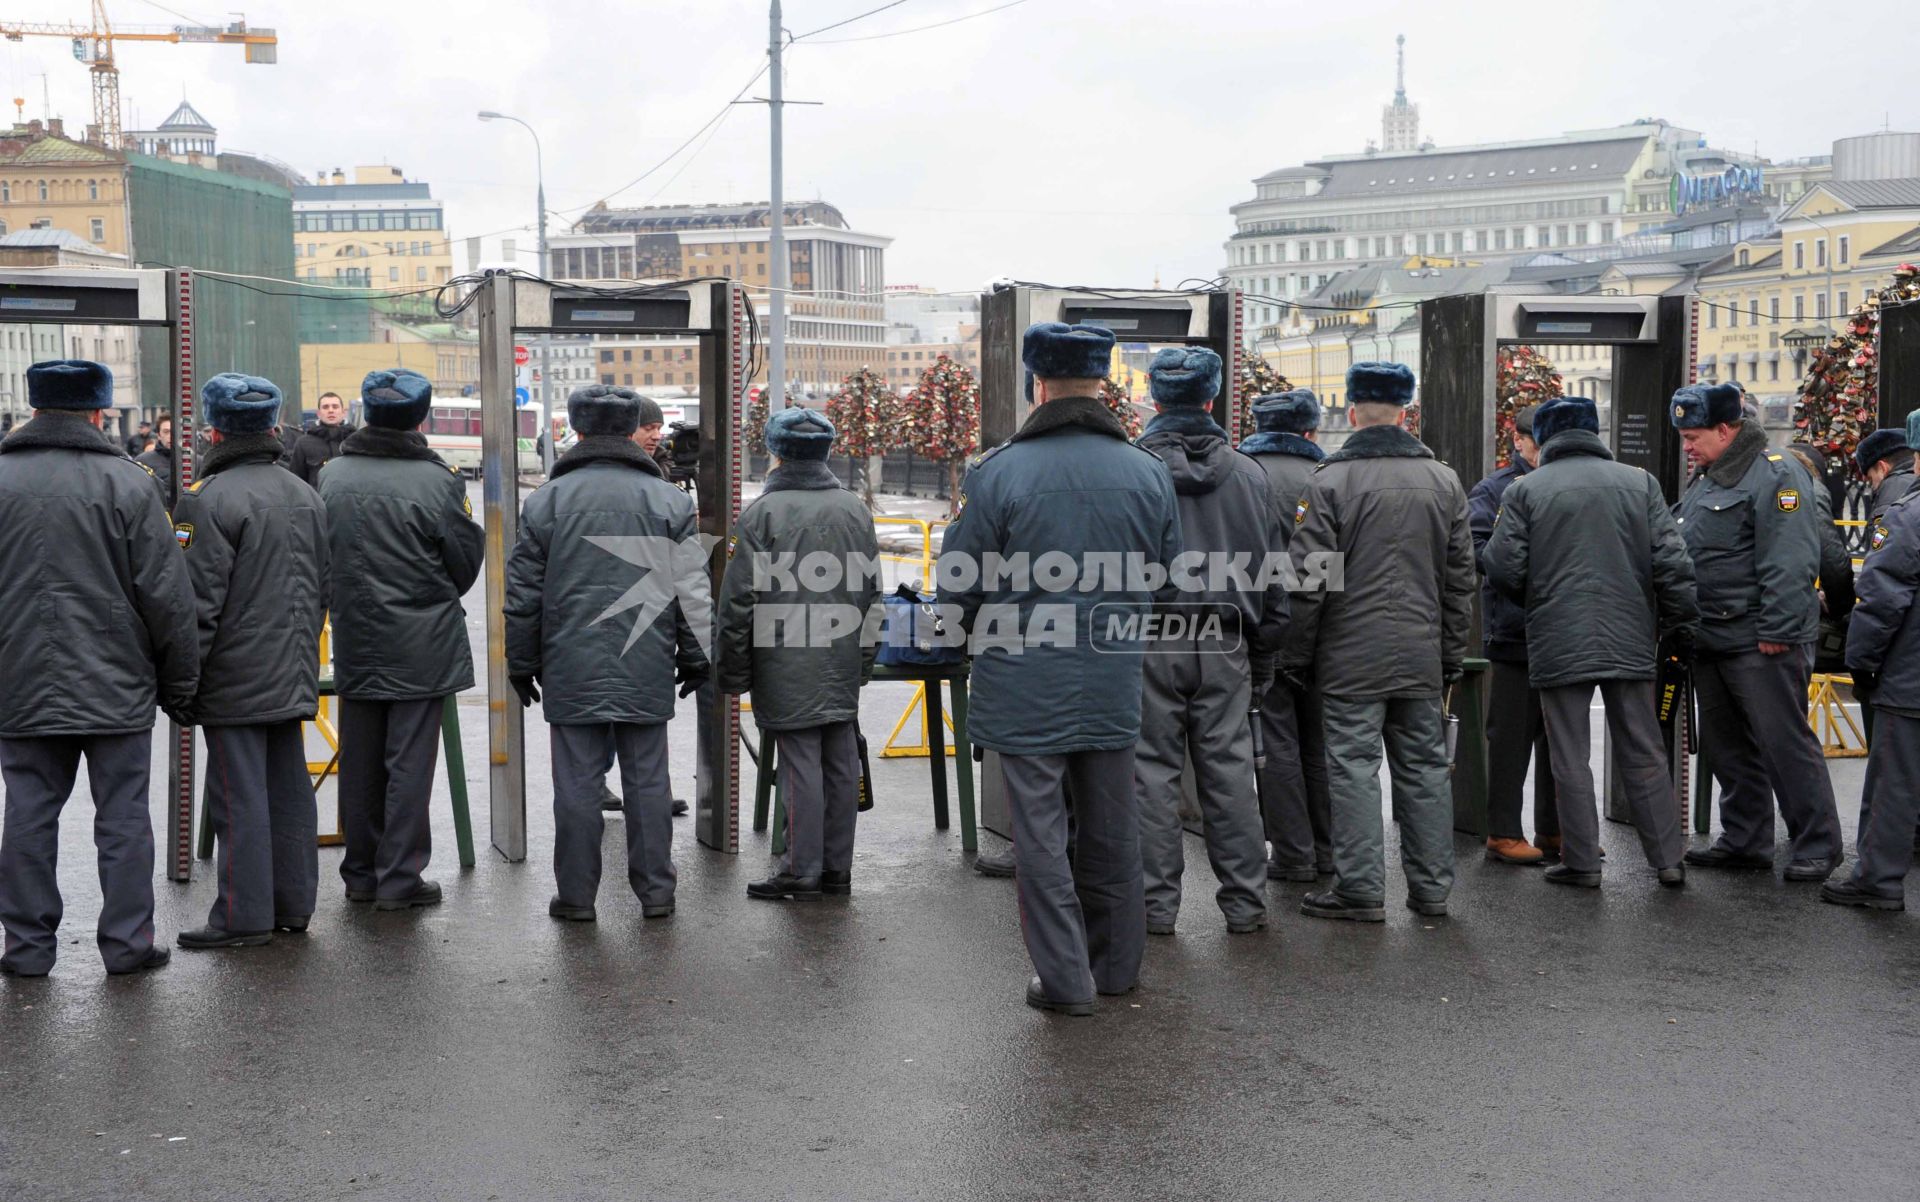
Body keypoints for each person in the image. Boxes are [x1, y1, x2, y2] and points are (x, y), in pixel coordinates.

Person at [937, 321, 1180, 1015]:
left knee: (1039, 837)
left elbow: (960, 581)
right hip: (1111, 677)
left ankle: (1067, 983)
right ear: (1103, 384)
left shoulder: (999, 471)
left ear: (1036, 384)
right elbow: (1164, 577)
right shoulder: (1146, 472)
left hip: (1022, 683)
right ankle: (1117, 970)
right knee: (1112, 830)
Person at [0, 360, 197, 977]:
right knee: (123, 817)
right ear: (99, 412)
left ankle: (26, 950)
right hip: (117, 682)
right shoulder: (129, 483)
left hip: (19, 680)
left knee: (27, 813)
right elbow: (167, 596)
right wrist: (181, 685)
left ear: (33, 409)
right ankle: (128, 945)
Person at [505, 385, 709, 922]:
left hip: (569, 662)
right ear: (628, 430)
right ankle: (657, 894)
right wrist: (694, 655)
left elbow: (523, 595)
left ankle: (575, 898)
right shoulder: (670, 501)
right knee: (648, 781)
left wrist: (522, 662)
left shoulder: (546, 501)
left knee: (576, 784)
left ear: (576, 430)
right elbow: (693, 591)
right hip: (645, 658)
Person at [1285, 361, 1475, 922]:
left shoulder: (1327, 482)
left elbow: (1308, 583)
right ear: (1405, 412)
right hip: (1420, 654)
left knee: (1352, 767)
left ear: (1350, 412)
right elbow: (1461, 580)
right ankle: (1432, 890)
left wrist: (1296, 655)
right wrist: (1449, 654)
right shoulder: (1444, 480)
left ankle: (1361, 889)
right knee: (1423, 767)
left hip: (1348, 657)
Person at [1482, 396, 1697, 890]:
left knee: (1569, 754)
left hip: (1558, 636)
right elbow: (1674, 564)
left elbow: (1501, 567)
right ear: (1594, 433)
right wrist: (1679, 622)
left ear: (1547, 436)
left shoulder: (1525, 490)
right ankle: (1667, 859)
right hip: (1630, 634)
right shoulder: (1640, 482)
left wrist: (1538, 595)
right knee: (1644, 750)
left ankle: (1581, 862)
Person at [169, 374, 331, 948]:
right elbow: (321, 587)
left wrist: (183, 684)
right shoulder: (305, 493)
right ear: (272, 426)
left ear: (213, 430)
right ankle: (292, 906)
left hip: (235, 675)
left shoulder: (207, 498)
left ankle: (242, 917)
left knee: (238, 798)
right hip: (292, 666)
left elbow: (196, 605)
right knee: (288, 791)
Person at [319, 369, 485, 911]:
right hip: (423, 643)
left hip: (355, 636)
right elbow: (463, 565)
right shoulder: (439, 481)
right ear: (421, 418)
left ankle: (361, 875)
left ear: (366, 413)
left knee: (360, 761)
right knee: (409, 765)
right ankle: (400, 880)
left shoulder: (332, 475)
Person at [1132, 348, 1284, 936]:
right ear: (1212, 398)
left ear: (1153, 398)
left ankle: (1155, 909)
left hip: (1147, 639)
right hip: (1226, 641)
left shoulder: (1134, 469)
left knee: (1150, 776)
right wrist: (1263, 658)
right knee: (1230, 775)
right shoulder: (1251, 475)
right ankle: (1246, 906)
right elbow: (1275, 580)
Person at [1670, 381, 1844, 880]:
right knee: (1729, 747)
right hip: (1713, 635)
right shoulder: (1708, 477)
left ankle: (1816, 844)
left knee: (1783, 743)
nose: (1687, 445)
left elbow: (1790, 558)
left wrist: (1779, 628)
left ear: (1726, 429)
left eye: (1694, 434)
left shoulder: (1776, 474)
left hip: (1760, 638)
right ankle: (1745, 839)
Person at [718, 407, 881, 901]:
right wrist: (864, 663)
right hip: (840, 660)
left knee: (798, 767)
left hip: (784, 661)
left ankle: (799, 870)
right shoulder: (855, 509)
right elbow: (874, 595)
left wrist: (733, 672)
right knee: (839, 762)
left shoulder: (761, 515)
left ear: (776, 453)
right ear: (827, 450)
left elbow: (738, 602)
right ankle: (837, 870)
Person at [1240, 389, 1331, 882]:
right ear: (1310, 431)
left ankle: (1293, 854)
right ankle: (1329, 849)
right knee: (1319, 744)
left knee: (1273, 742)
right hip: (1325, 629)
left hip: (1264, 626)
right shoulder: (1327, 475)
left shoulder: (1245, 475)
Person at [1466, 403, 1558, 866]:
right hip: (1513, 630)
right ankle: (1503, 831)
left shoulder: (1561, 483)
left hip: (1557, 630)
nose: (1539, 451)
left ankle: (1555, 829)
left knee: (1560, 738)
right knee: (1510, 739)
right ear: (1518, 441)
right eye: (1533, 442)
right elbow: (1476, 550)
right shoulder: (1495, 489)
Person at [1825, 486, 1920, 910]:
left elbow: (1881, 598)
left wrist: (1860, 662)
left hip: (1911, 677)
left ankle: (1877, 878)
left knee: (1894, 782)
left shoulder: (1907, 516)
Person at [595, 398, 688, 818]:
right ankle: (601, 781)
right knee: (610, 711)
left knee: (637, 714)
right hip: (613, 604)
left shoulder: (664, 472)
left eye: (659, 427)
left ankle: (649, 791)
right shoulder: (601, 477)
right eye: (647, 427)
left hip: (650, 605)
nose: (655, 435)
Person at [283, 390, 357, 489]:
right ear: (318, 413)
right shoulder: (304, 443)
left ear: (343, 412)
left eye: (335, 407)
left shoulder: (355, 441)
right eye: (325, 407)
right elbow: (296, 480)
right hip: (317, 502)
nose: (330, 410)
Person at [1856, 428, 1917, 524]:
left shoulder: (1890, 494)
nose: (1872, 486)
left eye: (1870, 479)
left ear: (1882, 468)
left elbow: (1888, 537)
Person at [137, 412, 177, 500]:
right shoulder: (143, 461)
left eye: (174, 431)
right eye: (166, 432)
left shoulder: (196, 461)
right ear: (159, 435)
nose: (171, 436)